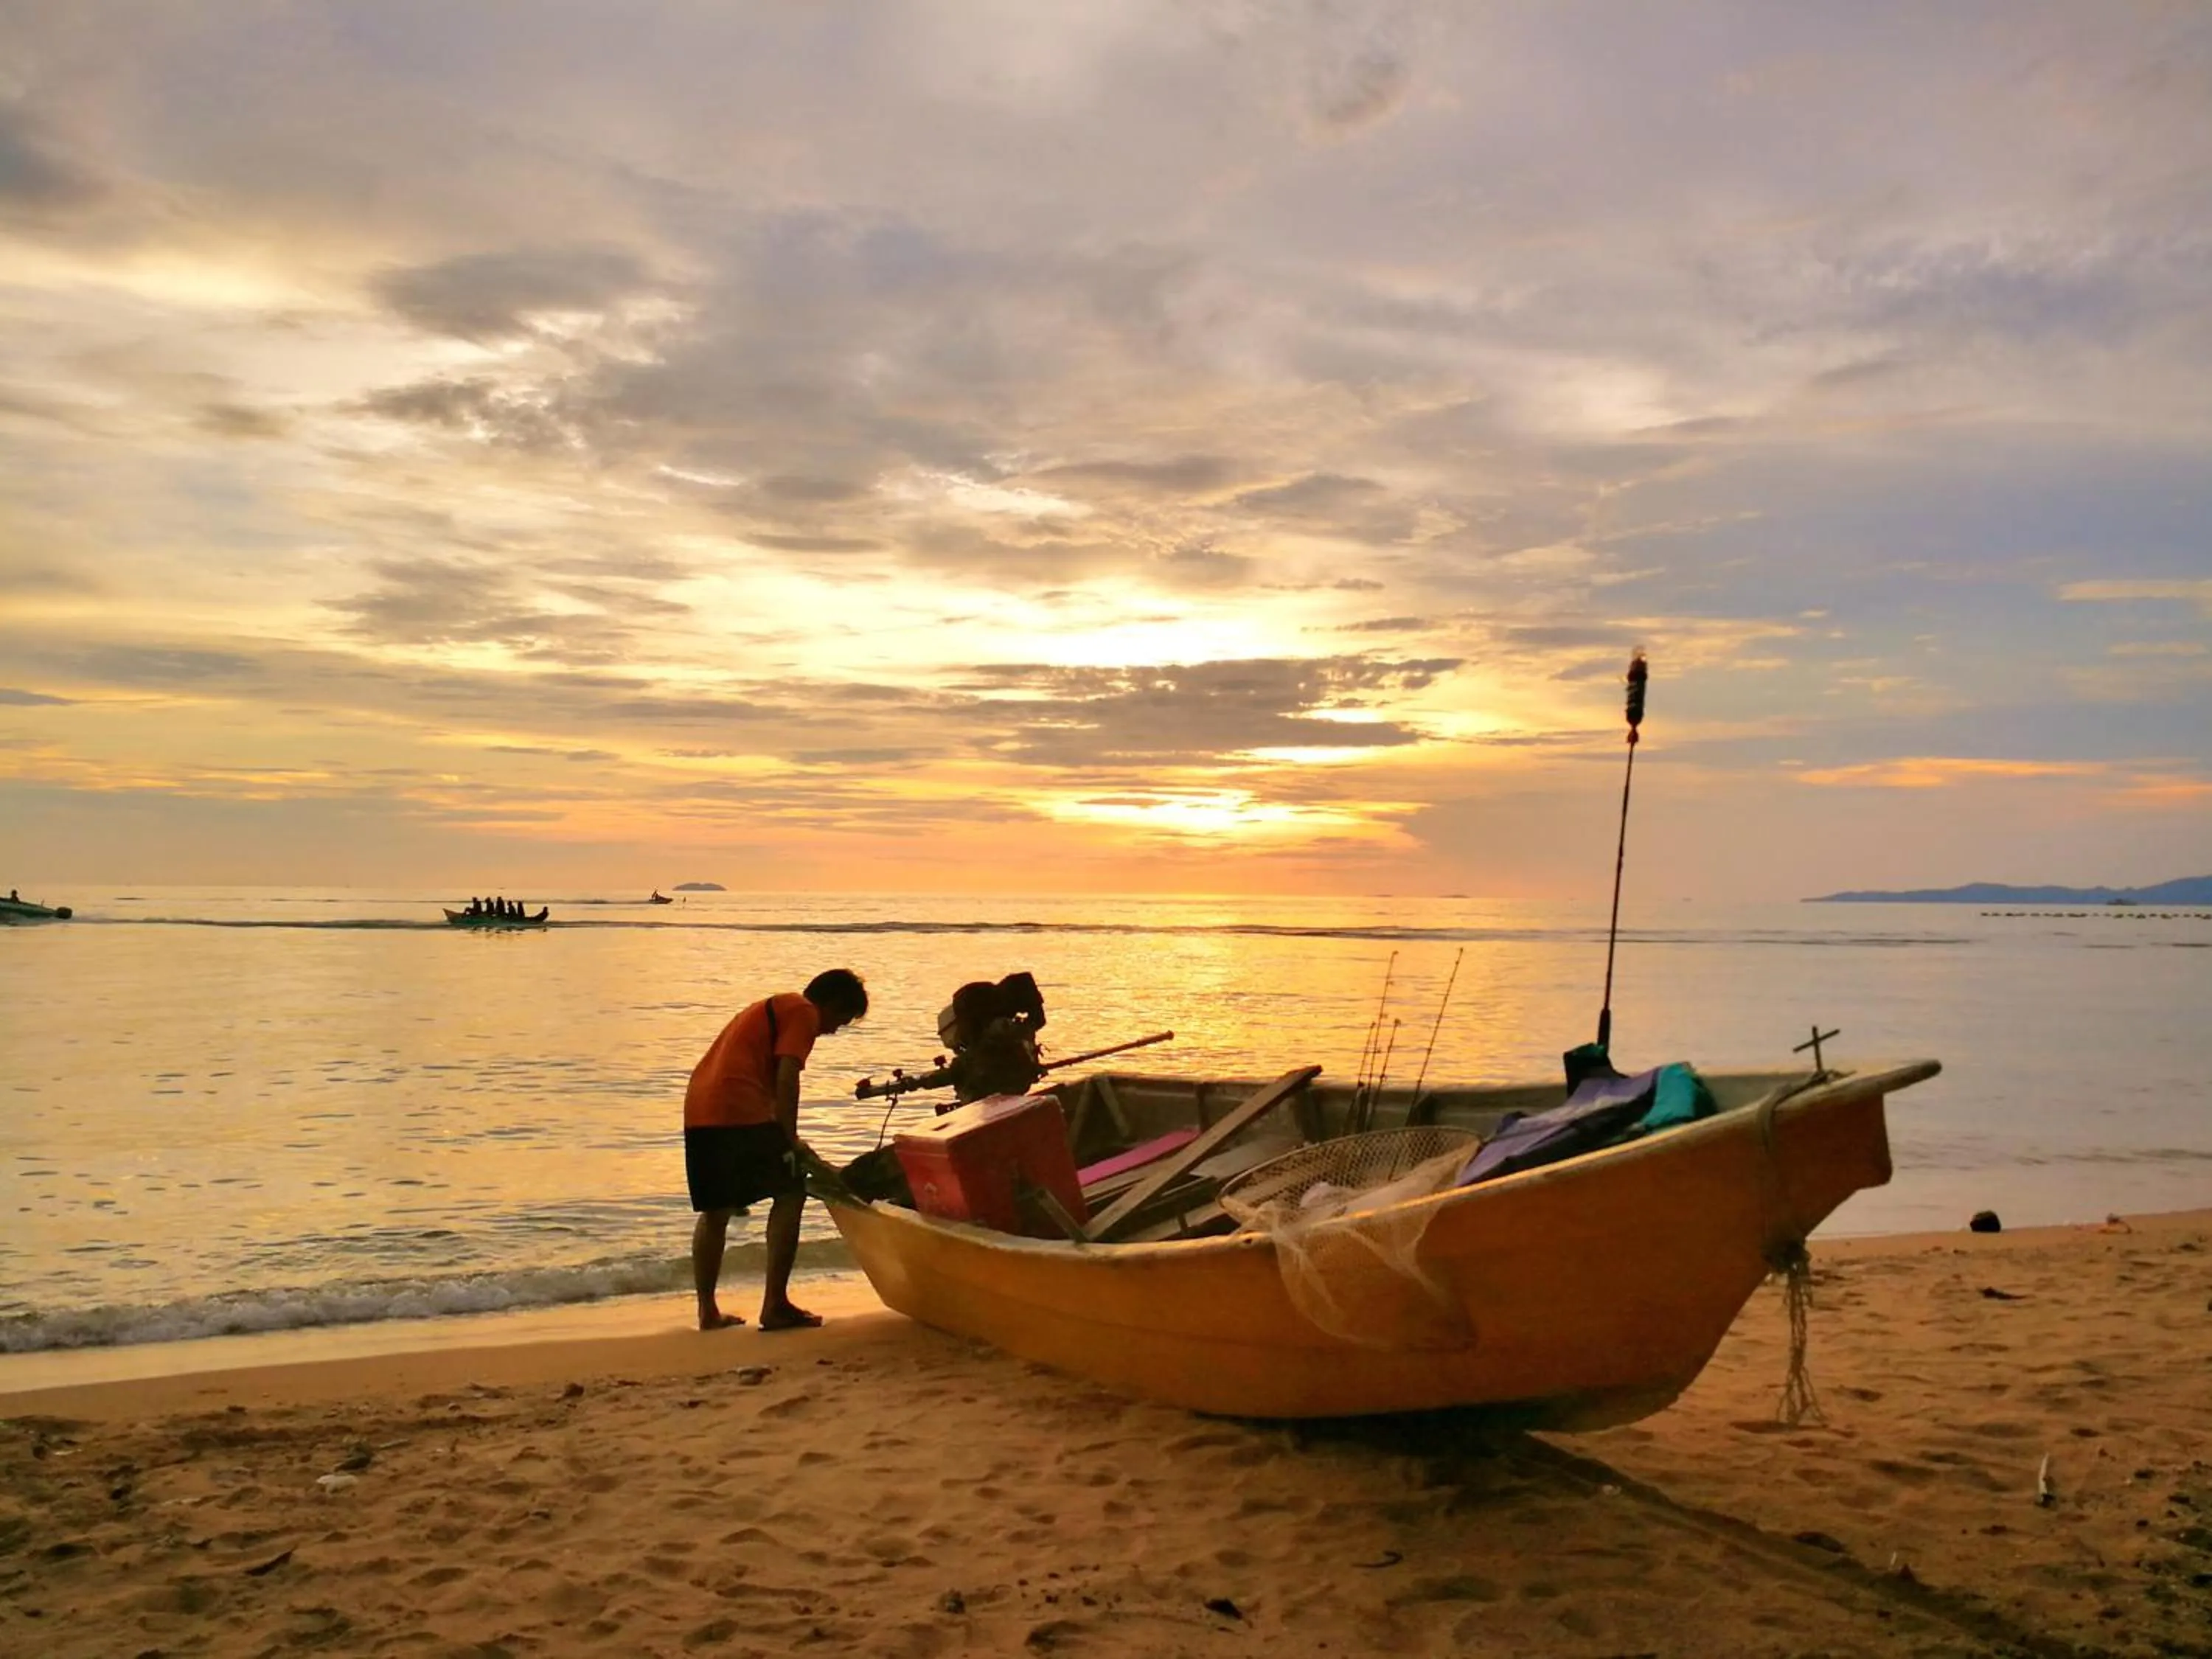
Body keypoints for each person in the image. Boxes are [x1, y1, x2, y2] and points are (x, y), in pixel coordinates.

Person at [684, 968, 869, 1331]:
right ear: (829, 1003)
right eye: (840, 1020)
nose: (832, 1030)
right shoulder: (803, 1011)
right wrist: (791, 1139)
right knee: (791, 1192)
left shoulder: (770, 1007)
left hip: (702, 1108)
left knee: (715, 1211)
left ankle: (707, 1311)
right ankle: (775, 1305)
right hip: (740, 1107)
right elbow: (788, 1075)